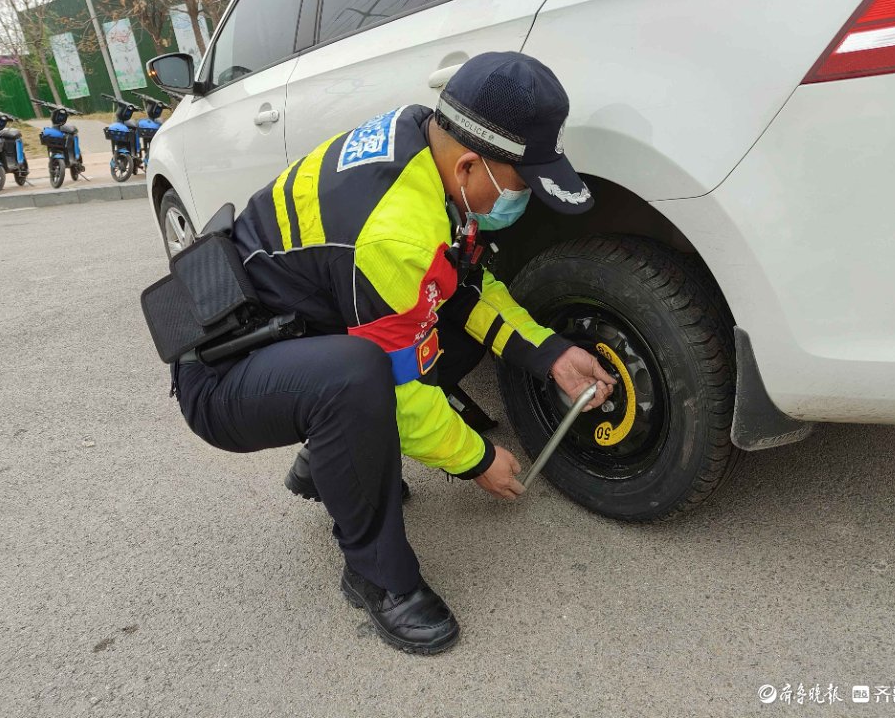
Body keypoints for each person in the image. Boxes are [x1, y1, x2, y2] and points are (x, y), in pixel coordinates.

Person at [171, 52, 615, 655]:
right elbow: (402, 392)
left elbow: (466, 284)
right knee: (359, 377)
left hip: (291, 335)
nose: (524, 200)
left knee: (433, 323)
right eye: (521, 185)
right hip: (224, 374)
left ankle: (328, 462)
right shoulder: (396, 230)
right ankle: (376, 575)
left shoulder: (424, 143)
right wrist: (477, 458)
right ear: (468, 163)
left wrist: (551, 353)